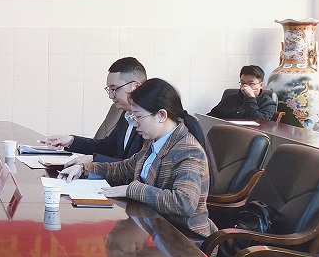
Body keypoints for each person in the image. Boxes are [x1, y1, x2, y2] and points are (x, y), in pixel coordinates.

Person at [60, 78, 216, 239]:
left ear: (161, 115)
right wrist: (84, 169)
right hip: (152, 227)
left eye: (138, 117)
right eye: (132, 117)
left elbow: (184, 203)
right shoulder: (154, 141)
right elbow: (125, 168)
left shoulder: (188, 151)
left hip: (181, 239)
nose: (134, 124)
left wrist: (131, 190)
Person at [42, 57, 147, 163]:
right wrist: (71, 141)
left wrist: (93, 160)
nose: (111, 96)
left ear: (136, 87)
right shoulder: (126, 114)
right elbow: (108, 148)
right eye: (109, 90)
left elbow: (137, 166)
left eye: (114, 89)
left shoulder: (150, 121)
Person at [206, 65, 277, 121]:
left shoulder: (268, 103)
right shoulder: (229, 98)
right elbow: (211, 116)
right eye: (242, 83)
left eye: (251, 83)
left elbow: (260, 122)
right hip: (226, 131)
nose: (245, 87)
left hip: (251, 134)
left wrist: (251, 98)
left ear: (261, 85)